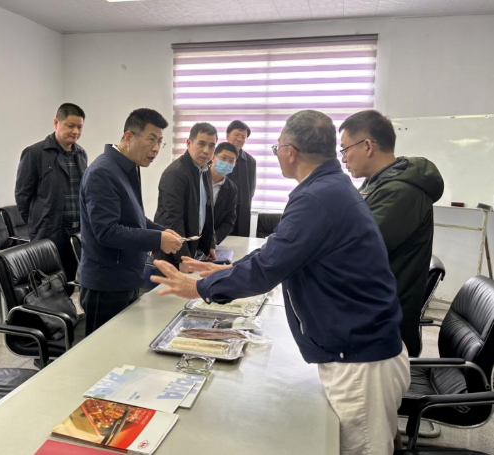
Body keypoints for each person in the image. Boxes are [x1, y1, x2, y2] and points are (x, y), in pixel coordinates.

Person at [151, 110, 410, 455]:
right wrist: (223, 270)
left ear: (290, 151)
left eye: (277, 148)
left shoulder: (317, 197)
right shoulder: (328, 188)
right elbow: (278, 251)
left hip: (360, 361)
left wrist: (197, 287)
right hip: (360, 348)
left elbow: (267, 268)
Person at [339, 110, 444, 357]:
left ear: (367, 146)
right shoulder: (377, 184)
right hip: (368, 309)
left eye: (345, 149)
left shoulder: (401, 192)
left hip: (381, 326)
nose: (343, 159)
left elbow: (355, 251)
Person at [79, 108, 182, 336]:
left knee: (124, 346)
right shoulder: (102, 172)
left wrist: (162, 231)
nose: (156, 148)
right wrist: (157, 240)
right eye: (151, 139)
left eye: (160, 141)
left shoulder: (127, 167)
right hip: (106, 284)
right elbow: (107, 231)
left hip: (127, 277)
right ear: (128, 137)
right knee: (103, 351)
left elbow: (134, 217)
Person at [15, 103, 87, 283]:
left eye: (79, 127)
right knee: (47, 284)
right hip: (48, 232)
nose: (75, 132)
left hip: (76, 232)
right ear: (56, 123)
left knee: (70, 281)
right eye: (71, 125)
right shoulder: (34, 153)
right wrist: (38, 223)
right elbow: (23, 196)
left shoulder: (81, 154)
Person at [154, 122, 217, 272]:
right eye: (201, 144)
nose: (206, 151)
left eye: (211, 146)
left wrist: (209, 245)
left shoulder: (205, 170)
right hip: (172, 254)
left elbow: (206, 212)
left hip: (192, 249)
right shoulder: (176, 173)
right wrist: (183, 258)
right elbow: (172, 219)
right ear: (189, 143)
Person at [226, 120, 257, 237]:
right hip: (219, 211)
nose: (239, 139)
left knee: (240, 242)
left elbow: (251, 189)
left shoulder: (250, 161)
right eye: (236, 135)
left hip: (241, 212)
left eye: (243, 137)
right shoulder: (215, 157)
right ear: (227, 135)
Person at [210, 142, 238, 245]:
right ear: (213, 158)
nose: (227, 163)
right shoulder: (197, 178)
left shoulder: (231, 189)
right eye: (223, 158)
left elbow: (229, 220)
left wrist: (215, 239)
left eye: (231, 161)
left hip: (211, 242)